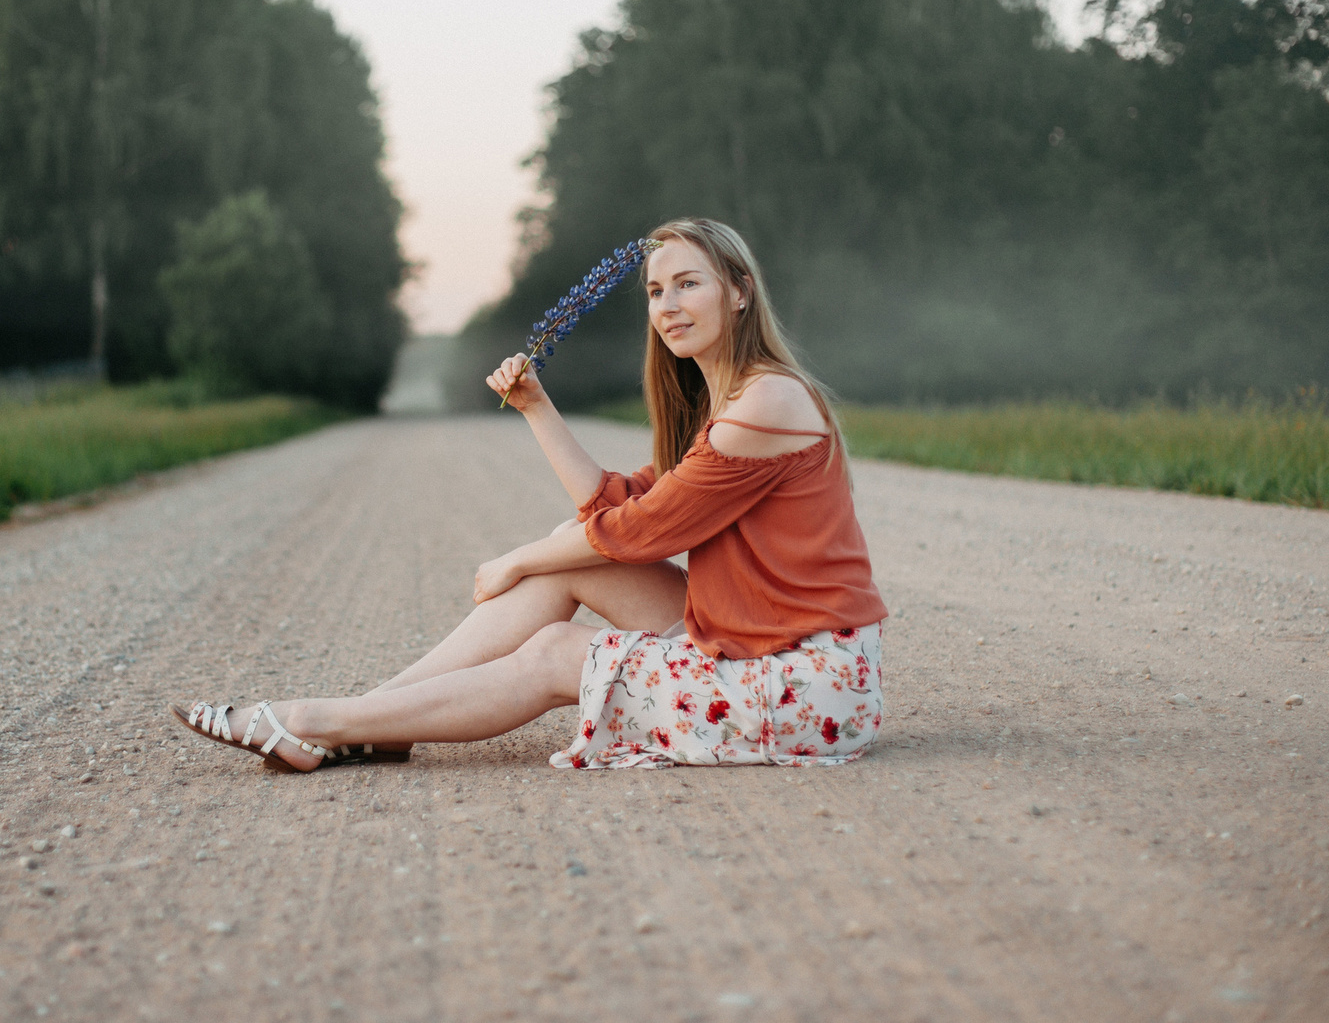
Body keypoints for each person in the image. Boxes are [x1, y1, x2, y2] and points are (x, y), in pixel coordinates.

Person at [172, 218, 888, 772]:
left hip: (807, 685)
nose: (667, 305)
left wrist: (516, 559)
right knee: (567, 555)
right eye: (654, 291)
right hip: (755, 649)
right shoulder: (723, 406)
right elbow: (613, 509)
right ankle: (369, 720)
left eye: (687, 284)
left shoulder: (766, 404)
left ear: (740, 291)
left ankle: (315, 721)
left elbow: (644, 531)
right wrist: (536, 407)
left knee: (554, 651)